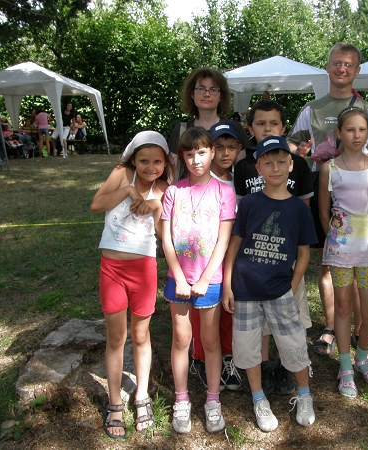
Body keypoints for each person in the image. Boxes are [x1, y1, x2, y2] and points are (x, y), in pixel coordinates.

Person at [287, 42, 368, 360]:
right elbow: (290, 146)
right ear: (328, 67)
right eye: (337, 63)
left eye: (349, 64)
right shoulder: (311, 110)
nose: (342, 69)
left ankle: (363, 333)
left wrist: (350, 160)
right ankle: (333, 327)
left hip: (358, 198)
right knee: (328, 264)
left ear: (357, 70)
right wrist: (301, 152)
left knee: (361, 264)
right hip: (324, 193)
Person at [222, 136, 317, 432]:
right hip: (245, 290)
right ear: (259, 167)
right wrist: (227, 285)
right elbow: (235, 244)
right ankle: (258, 397)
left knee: (294, 344)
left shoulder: (299, 208)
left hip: (280, 291)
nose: (275, 167)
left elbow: (303, 253)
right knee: (249, 349)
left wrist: (293, 283)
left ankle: (304, 395)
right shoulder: (249, 203)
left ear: (291, 165)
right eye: (268, 162)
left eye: (281, 161)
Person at [90, 131, 172, 439]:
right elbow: (96, 205)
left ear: (165, 163)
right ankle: (114, 402)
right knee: (116, 338)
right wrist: (126, 191)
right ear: (133, 160)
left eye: (157, 162)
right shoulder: (122, 174)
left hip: (144, 269)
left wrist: (157, 208)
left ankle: (141, 397)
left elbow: (164, 235)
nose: (150, 167)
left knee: (140, 335)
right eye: (144, 161)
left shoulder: (164, 188)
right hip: (111, 267)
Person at [234, 100, 313, 397]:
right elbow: (242, 216)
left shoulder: (299, 165)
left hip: (287, 260)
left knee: (291, 316)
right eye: (260, 123)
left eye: (274, 123)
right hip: (254, 262)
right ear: (250, 129)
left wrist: (293, 267)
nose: (267, 128)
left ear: (283, 127)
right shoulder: (243, 167)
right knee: (259, 325)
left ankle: (286, 367)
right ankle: (265, 368)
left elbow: (301, 210)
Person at [161, 127, 236, 435]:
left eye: (202, 152)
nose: (195, 160)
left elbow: (224, 240)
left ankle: (213, 399)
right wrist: (179, 275)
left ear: (213, 153)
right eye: (189, 154)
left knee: (210, 340)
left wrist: (205, 279)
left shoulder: (224, 192)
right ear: (183, 157)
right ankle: (181, 399)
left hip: (211, 281)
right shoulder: (174, 192)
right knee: (181, 340)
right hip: (177, 280)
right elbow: (165, 238)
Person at [319, 106, 368, 398]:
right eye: (350, 129)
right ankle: (345, 366)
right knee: (343, 309)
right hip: (341, 252)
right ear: (339, 133)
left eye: (361, 130)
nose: (356, 135)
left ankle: (362, 358)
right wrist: (334, 239)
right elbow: (323, 211)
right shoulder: (329, 169)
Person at [186, 121, 243, 392]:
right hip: (203, 260)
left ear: (239, 150)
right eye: (218, 147)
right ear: (209, 151)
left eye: (230, 148)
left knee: (229, 308)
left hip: (235, 255)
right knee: (203, 311)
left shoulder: (241, 178)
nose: (224, 154)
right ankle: (200, 357)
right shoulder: (202, 179)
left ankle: (227, 356)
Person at [168, 68, 250, 173]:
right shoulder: (181, 130)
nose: (207, 94)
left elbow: (241, 173)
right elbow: (172, 174)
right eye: (201, 89)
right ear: (192, 94)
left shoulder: (234, 128)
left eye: (213, 89)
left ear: (221, 96)